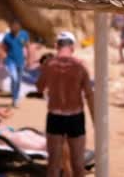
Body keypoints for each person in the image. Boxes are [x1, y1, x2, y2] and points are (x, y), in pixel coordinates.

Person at [36, 31, 94, 177]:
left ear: (57, 46)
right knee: (78, 165)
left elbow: (39, 87)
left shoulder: (49, 65)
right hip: (75, 116)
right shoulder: (80, 66)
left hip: (55, 116)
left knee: (54, 165)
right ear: (72, 47)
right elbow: (89, 94)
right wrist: (95, 120)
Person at [0, 19, 30, 107]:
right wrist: (0, 62)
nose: (14, 28)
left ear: (19, 27)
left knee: (19, 81)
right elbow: (2, 49)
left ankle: (15, 97)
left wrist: (28, 60)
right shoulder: (7, 37)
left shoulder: (24, 35)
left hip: (21, 61)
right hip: (10, 61)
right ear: (11, 28)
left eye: (16, 27)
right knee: (14, 78)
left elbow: (28, 47)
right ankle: (14, 98)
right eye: (13, 27)